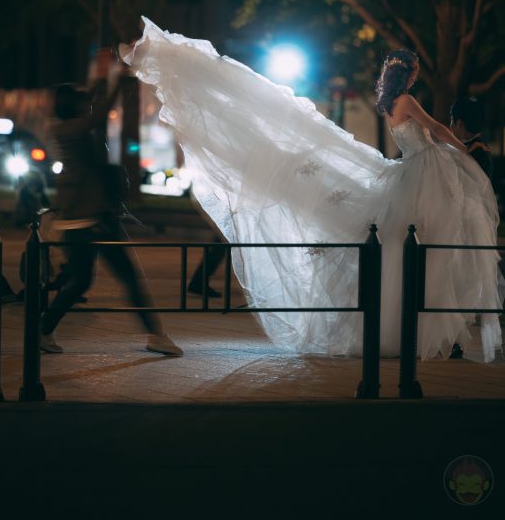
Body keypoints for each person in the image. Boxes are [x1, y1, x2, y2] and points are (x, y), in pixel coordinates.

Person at [121, 19, 502, 362]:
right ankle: (427, 327)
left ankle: (412, 327)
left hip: (411, 170)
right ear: (407, 74)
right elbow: (435, 127)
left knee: (402, 247)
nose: (417, 78)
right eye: (415, 72)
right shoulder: (407, 101)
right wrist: (461, 148)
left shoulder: (388, 105)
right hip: (423, 170)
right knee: (429, 243)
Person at [40, 49, 182, 357]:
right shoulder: (71, 130)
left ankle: (44, 329)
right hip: (94, 220)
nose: (85, 102)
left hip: (80, 221)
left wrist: (104, 77)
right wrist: (115, 80)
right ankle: (156, 335)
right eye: (80, 101)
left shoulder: (68, 127)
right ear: (73, 106)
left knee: (79, 283)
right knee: (128, 277)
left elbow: (93, 102)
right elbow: (100, 110)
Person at [451, 96, 493, 179]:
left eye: (451, 120)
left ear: (459, 123)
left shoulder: (478, 153)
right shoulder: (481, 148)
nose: (450, 126)